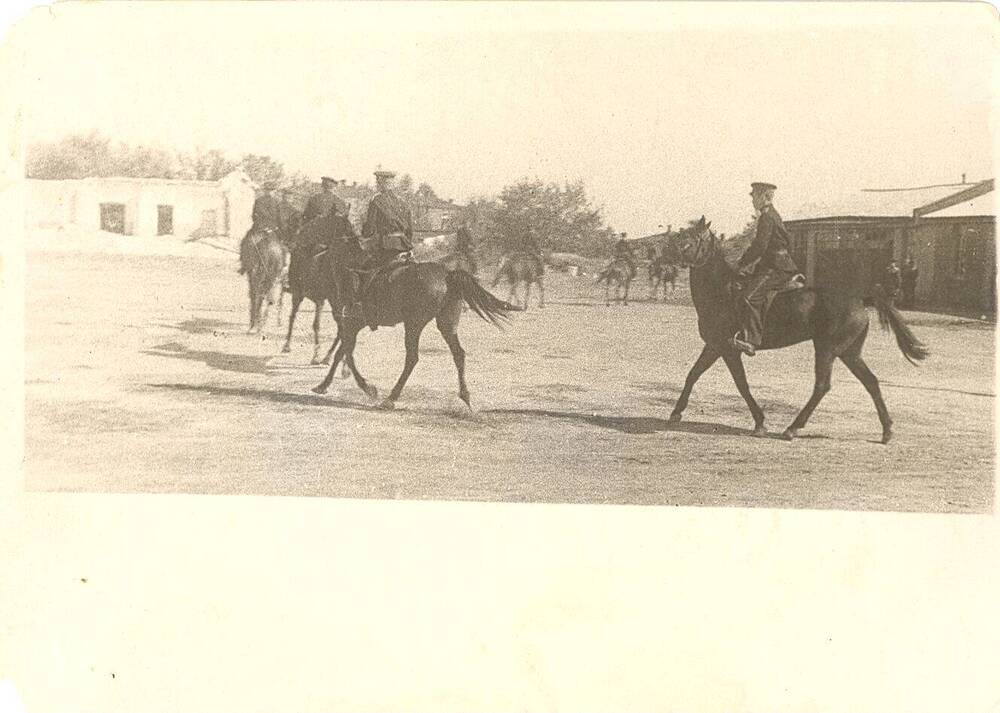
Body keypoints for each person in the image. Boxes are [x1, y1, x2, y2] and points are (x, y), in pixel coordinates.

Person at [731, 182, 802, 357]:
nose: (752, 199)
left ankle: (751, 340)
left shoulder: (768, 217)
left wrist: (741, 263)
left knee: (748, 297)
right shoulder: (769, 215)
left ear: (765, 197)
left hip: (776, 267)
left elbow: (760, 246)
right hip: (774, 264)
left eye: (754, 195)